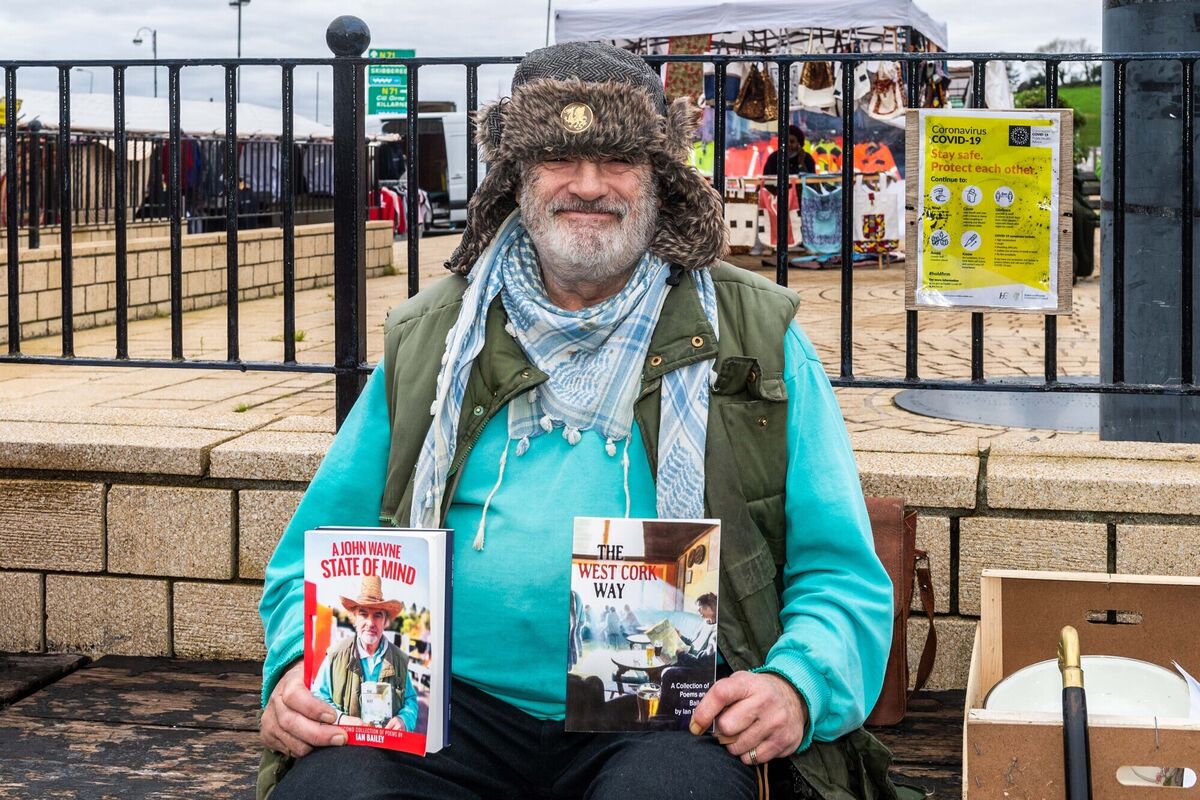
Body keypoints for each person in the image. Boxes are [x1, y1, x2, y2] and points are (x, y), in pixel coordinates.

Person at [257, 40, 895, 800]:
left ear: (660, 179)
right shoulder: (435, 335)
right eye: (559, 158)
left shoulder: (755, 336)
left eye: (619, 159)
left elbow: (840, 573)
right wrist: (299, 669)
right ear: (518, 179)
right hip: (437, 709)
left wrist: (796, 686)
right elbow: (311, 552)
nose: (588, 186)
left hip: (665, 716)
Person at [309, 575, 419, 732]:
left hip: (387, 746)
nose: (370, 623)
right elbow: (318, 697)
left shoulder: (400, 660)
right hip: (345, 744)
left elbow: (411, 700)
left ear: (385, 622)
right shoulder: (335, 655)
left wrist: (403, 720)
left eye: (377, 615)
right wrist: (340, 719)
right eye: (363, 614)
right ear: (354, 618)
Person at [675, 592, 718, 669]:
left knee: (667, 672)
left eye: (701, 607)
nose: (699, 610)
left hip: (697, 666)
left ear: (712, 607)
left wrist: (681, 654)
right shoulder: (704, 623)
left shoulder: (716, 631)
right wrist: (680, 636)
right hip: (689, 658)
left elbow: (703, 660)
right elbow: (692, 643)